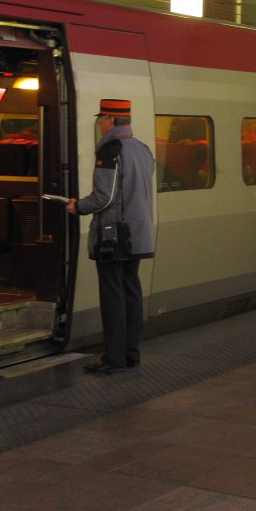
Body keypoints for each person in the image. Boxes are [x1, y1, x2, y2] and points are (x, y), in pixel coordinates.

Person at [68, 99, 155, 373]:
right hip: (138, 234)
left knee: (113, 296)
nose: (101, 124)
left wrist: (78, 206)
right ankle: (131, 354)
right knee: (131, 291)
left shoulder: (110, 150)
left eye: (102, 119)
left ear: (111, 120)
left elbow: (104, 198)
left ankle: (114, 358)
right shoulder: (142, 149)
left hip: (114, 236)